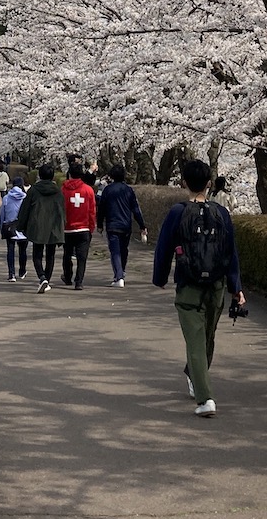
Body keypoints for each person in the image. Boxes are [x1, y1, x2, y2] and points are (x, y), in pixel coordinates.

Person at [152, 158, 246, 417]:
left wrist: (159, 278)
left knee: (195, 341)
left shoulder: (177, 212)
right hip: (216, 285)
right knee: (207, 337)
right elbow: (231, 253)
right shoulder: (222, 213)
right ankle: (195, 377)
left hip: (188, 285)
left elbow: (164, 248)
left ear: (184, 183)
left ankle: (205, 398)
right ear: (208, 183)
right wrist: (236, 286)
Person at [14, 162, 66, 293]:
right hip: (53, 227)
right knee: (50, 255)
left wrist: (20, 225)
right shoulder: (58, 192)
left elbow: (25, 209)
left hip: (37, 226)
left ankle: (42, 277)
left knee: (37, 254)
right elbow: (62, 211)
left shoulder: (34, 190)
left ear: (39, 175)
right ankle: (46, 279)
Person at [96, 164, 147, 287]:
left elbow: (101, 208)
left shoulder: (107, 190)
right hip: (125, 224)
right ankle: (121, 272)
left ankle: (119, 276)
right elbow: (135, 209)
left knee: (115, 251)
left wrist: (99, 224)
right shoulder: (128, 190)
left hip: (112, 224)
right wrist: (142, 225)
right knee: (123, 250)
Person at [60, 162, 98, 289]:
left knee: (67, 254)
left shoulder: (63, 190)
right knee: (82, 257)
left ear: (69, 174)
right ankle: (79, 281)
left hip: (67, 228)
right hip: (84, 228)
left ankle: (67, 276)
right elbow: (92, 211)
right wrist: (92, 227)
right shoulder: (88, 190)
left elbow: (60, 209)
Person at [0, 176, 29, 281]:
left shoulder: (7, 198)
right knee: (23, 251)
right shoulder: (25, 197)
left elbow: (2, 215)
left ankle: (11, 274)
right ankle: (22, 271)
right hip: (22, 227)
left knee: (10, 251)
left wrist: (1, 228)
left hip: (9, 227)